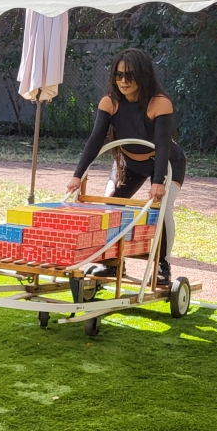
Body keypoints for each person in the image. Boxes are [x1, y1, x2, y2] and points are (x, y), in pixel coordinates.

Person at [66, 48, 186, 285]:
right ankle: (112, 263)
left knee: (162, 209)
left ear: (142, 75)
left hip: (167, 163)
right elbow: (95, 140)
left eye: (129, 75)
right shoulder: (110, 102)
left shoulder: (159, 103)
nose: (123, 81)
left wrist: (158, 181)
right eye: (118, 75)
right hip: (131, 163)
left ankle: (163, 266)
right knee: (112, 204)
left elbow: (162, 145)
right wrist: (77, 175)